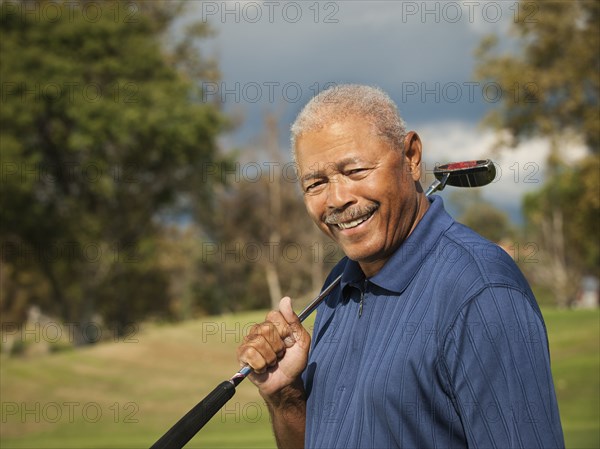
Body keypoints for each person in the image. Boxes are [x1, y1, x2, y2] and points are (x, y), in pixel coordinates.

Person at [236, 84, 565, 448]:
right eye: (316, 183)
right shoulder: (338, 287)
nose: (338, 199)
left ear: (411, 157)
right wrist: (286, 397)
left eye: (357, 170)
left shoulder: (483, 290)